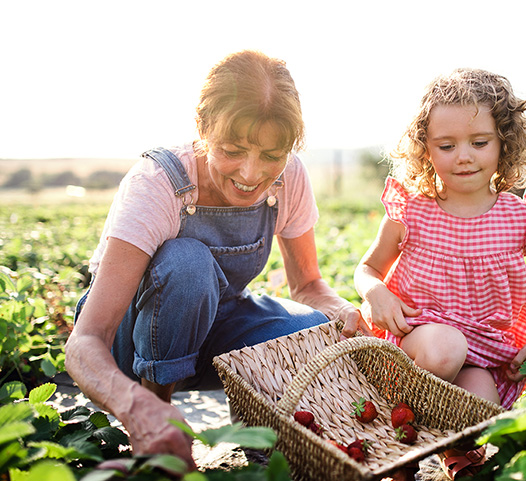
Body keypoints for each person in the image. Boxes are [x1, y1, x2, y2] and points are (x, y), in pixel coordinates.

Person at [64, 50, 362, 470]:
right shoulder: (160, 183)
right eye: (233, 149)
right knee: (187, 265)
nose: (251, 174)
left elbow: (309, 287)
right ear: (203, 128)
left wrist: (342, 311)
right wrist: (136, 408)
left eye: (271, 156)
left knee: (311, 331)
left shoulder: (289, 177)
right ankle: (156, 420)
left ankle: (258, 444)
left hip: (215, 333)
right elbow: (85, 340)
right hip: (133, 343)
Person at [354, 68, 526, 480]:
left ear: (505, 143)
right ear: (425, 150)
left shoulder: (519, 217)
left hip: (482, 350)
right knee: (446, 347)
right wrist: (375, 291)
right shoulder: (413, 209)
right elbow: (369, 267)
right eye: (446, 145)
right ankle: (398, 440)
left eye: (479, 143)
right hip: (416, 339)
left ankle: (457, 454)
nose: (464, 156)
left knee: (481, 410)